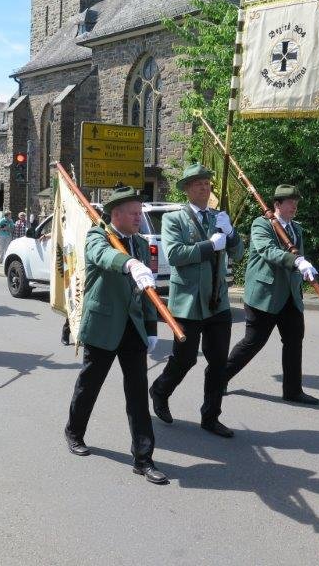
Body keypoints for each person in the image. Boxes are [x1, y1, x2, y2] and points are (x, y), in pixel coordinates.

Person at [64, 187, 167, 484]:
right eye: (134, 213)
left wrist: (151, 329)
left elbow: (146, 291)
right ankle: (74, 431)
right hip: (104, 325)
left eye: (140, 212)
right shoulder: (98, 236)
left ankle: (143, 458)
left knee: (137, 393)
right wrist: (129, 263)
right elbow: (103, 256)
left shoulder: (140, 243)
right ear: (117, 214)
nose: (139, 218)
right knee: (90, 384)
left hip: (133, 328)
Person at [149, 163, 245, 438]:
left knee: (218, 362)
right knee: (185, 359)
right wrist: (209, 246)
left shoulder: (218, 217)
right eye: (198, 184)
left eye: (206, 183)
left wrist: (230, 233)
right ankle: (160, 390)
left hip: (217, 301)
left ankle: (211, 417)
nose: (204, 187)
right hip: (188, 301)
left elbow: (238, 254)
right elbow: (175, 255)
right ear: (187, 189)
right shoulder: (175, 219)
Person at [223, 184, 319, 404]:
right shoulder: (261, 224)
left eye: (296, 203)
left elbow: (299, 257)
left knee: (294, 341)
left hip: (290, 296)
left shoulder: (296, 228)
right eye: (290, 202)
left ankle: (293, 390)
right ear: (277, 204)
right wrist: (296, 261)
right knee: (253, 342)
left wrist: (305, 270)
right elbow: (268, 251)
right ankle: (219, 378)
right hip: (264, 295)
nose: (294, 206)